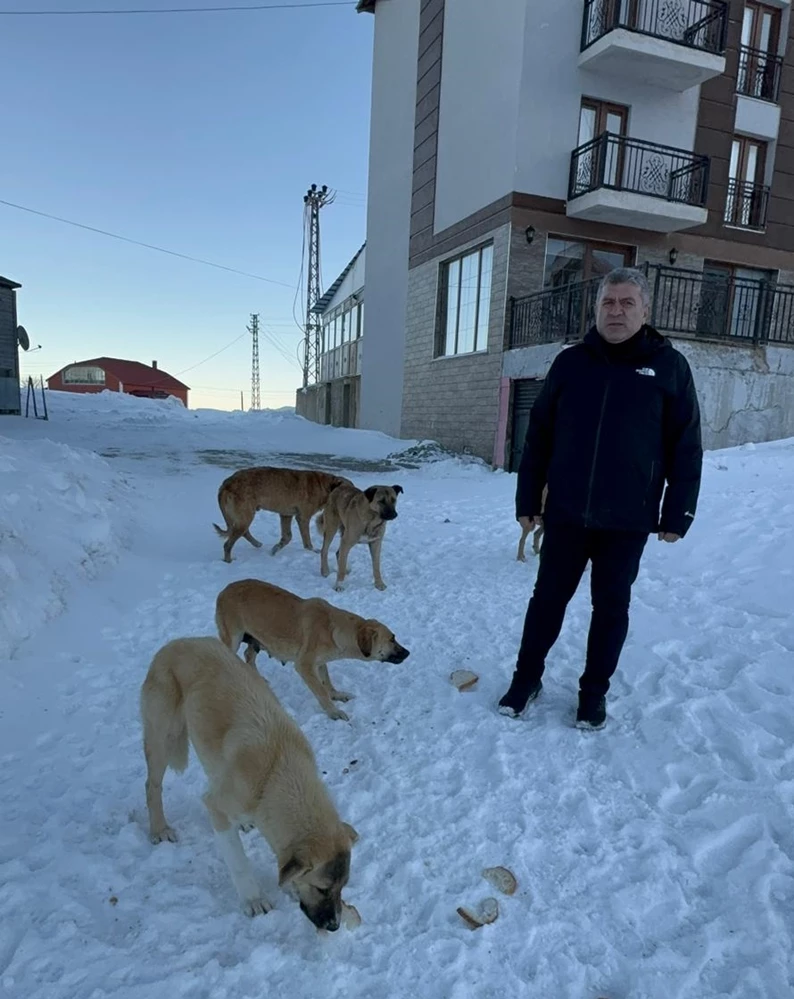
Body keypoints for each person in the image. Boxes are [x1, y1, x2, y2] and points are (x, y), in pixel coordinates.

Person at [499, 266, 703, 730]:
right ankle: (526, 678)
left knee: (611, 609)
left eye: (627, 303)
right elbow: (540, 436)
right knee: (546, 600)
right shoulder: (572, 362)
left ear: (645, 310)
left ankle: (593, 693)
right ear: (596, 310)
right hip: (568, 512)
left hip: (627, 519)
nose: (616, 311)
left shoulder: (669, 367)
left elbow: (686, 445)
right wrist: (528, 498)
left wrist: (678, 510)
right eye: (608, 303)